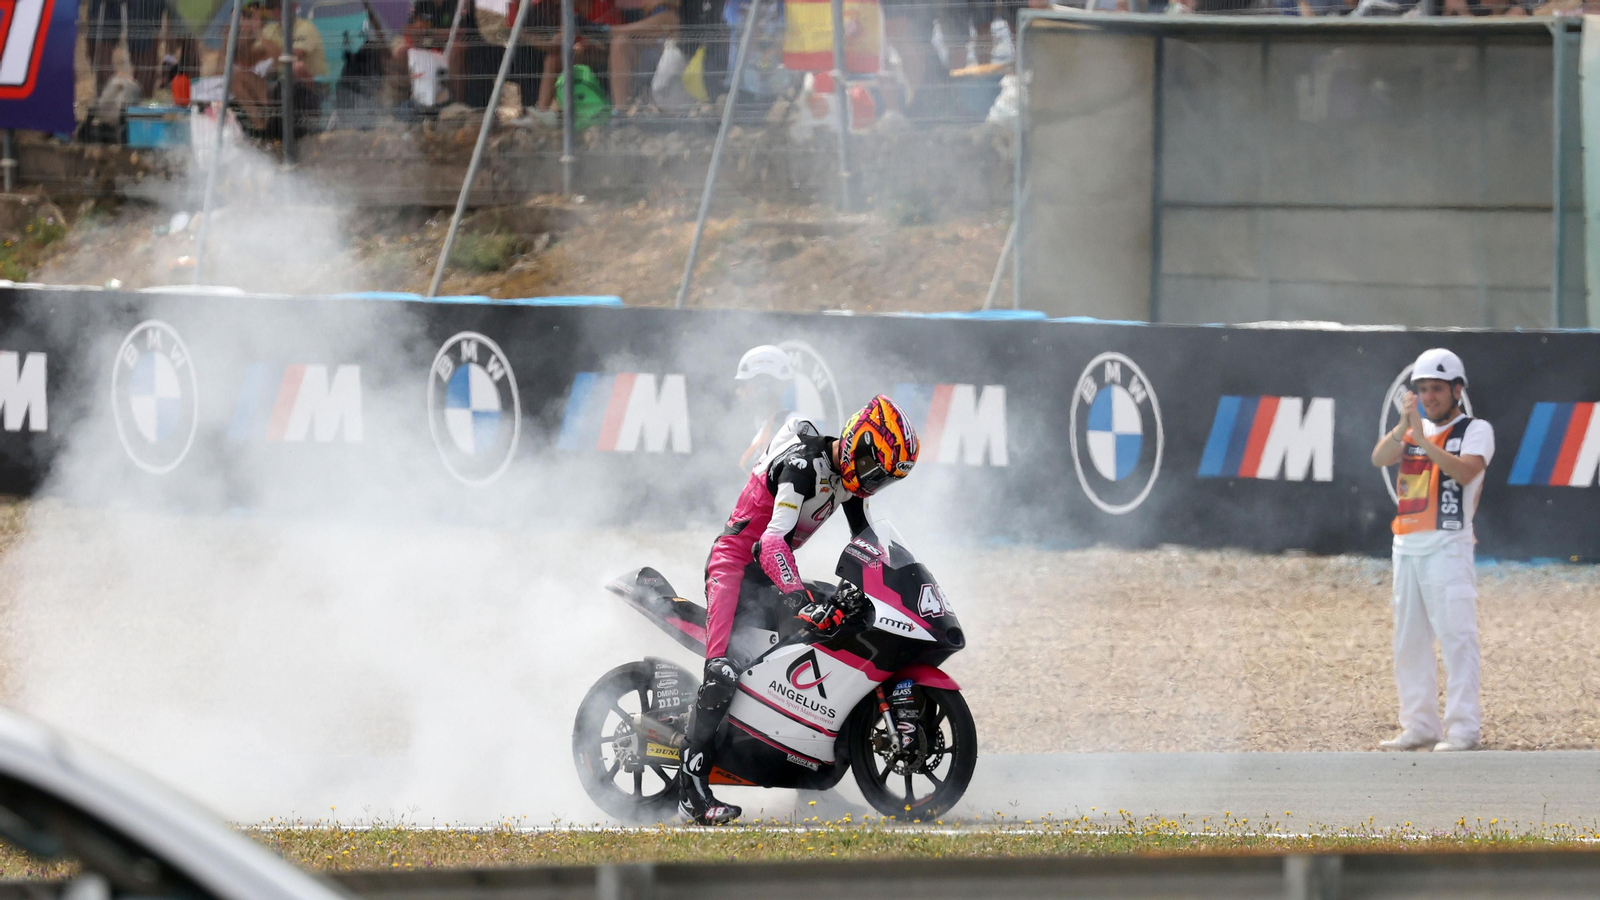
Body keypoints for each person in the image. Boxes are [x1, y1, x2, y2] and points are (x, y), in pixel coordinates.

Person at [682, 395, 920, 825]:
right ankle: (691, 789)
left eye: (882, 479)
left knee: (836, 647)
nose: (872, 481)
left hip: (769, 576)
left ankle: (815, 791)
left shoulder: (850, 481)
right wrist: (800, 600)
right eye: (873, 467)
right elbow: (770, 543)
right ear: (857, 441)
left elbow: (867, 542)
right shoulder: (803, 467)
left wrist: (892, 589)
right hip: (734, 566)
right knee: (722, 673)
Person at [1369, 349, 1494, 753]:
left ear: (1457, 390)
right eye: (1422, 389)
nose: (1429, 396)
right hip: (1406, 546)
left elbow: (1467, 472)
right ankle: (1420, 725)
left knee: (1457, 638)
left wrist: (1424, 441)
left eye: (1437, 389)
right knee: (1408, 642)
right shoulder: (1412, 428)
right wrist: (1404, 427)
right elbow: (1379, 458)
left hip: (1448, 547)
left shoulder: (1475, 430)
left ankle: (1463, 730)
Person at [733, 345, 798, 472]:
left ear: (764, 386)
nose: (738, 391)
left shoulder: (795, 426)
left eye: (743, 384)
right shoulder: (752, 429)